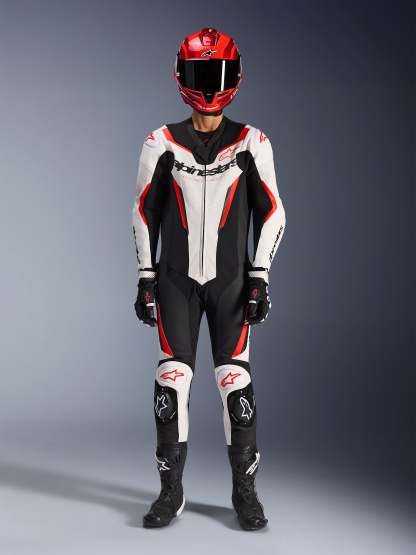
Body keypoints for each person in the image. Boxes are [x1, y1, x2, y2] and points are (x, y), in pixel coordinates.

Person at [132, 27, 285, 530]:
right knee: (170, 382)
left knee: (235, 383)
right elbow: (143, 212)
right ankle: (170, 492)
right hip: (175, 282)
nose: (209, 85)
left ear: (234, 77)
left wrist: (259, 275)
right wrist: (146, 276)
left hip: (231, 283)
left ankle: (246, 493)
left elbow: (274, 213)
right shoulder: (160, 142)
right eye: (200, 73)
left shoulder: (252, 142)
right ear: (182, 76)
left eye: (217, 73)